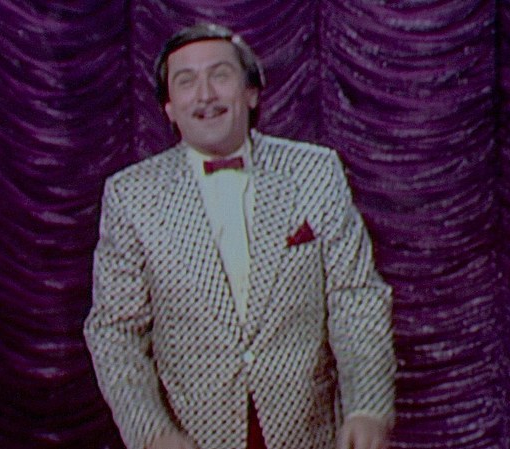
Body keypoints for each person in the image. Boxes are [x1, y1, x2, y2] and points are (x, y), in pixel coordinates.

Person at [84, 23, 396, 449]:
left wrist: (367, 407)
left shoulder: (315, 171)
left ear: (251, 93)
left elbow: (356, 296)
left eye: (220, 75)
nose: (205, 94)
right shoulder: (132, 195)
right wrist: (152, 433)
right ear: (169, 108)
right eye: (186, 81)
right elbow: (115, 331)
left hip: (310, 435)